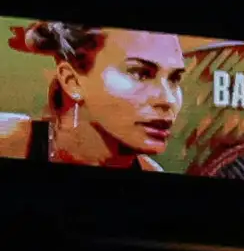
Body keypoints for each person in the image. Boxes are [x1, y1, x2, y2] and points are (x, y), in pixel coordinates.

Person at [2, 23, 187, 169]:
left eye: (174, 78)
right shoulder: (7, 140)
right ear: (72, 81)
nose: (168, 100)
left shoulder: (152, 170)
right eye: (140, 74)